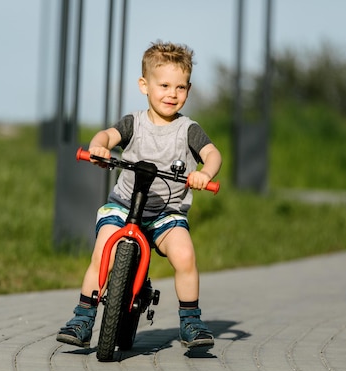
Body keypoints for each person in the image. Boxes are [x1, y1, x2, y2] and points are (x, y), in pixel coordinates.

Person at [56, 40, 222, 349]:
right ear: (144, 85)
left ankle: (191, 320)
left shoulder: (189, 129)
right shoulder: (134, 123)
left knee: (184, 255)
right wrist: (100, 146)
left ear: (188, 89)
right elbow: (108, 135)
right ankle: (83, 316)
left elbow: (212, 154)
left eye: (181, 87)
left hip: (167, 213)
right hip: (124, 205)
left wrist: (204, 173)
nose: (172, 94)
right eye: (164, 85)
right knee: (102, 251)